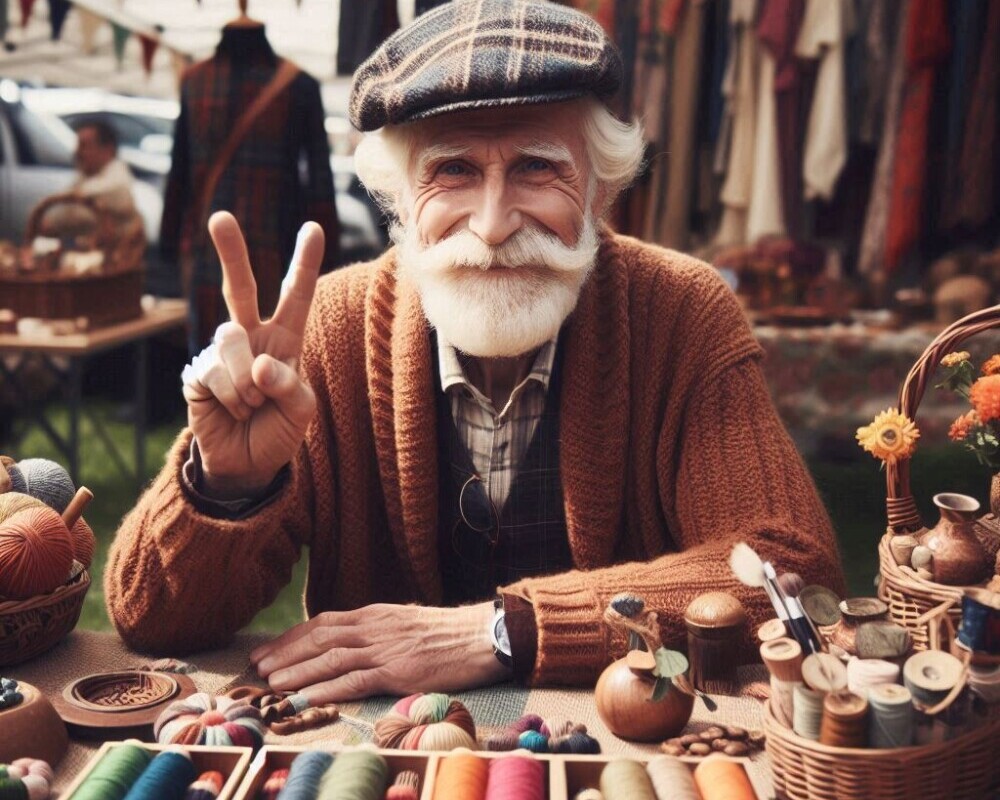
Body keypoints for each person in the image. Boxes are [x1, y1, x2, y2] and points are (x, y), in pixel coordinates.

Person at [106, 0, 845, 702]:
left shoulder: (680, 310)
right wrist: (226, 488)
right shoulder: (335, 327)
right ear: (400, 198)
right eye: (453, 170)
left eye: (537, 167)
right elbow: (149, 618)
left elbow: (792, 575)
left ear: (598, 188)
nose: (493, 225)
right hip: (386, 757)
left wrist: (502, 630)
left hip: (620, 747)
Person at [37, 120, 143, 241]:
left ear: (108, 150)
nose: (77, 152)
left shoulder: (116, 184)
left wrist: (53, 221)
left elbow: (68, 215)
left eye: (84, 146)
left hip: (115, 256)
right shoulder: (88, 174)